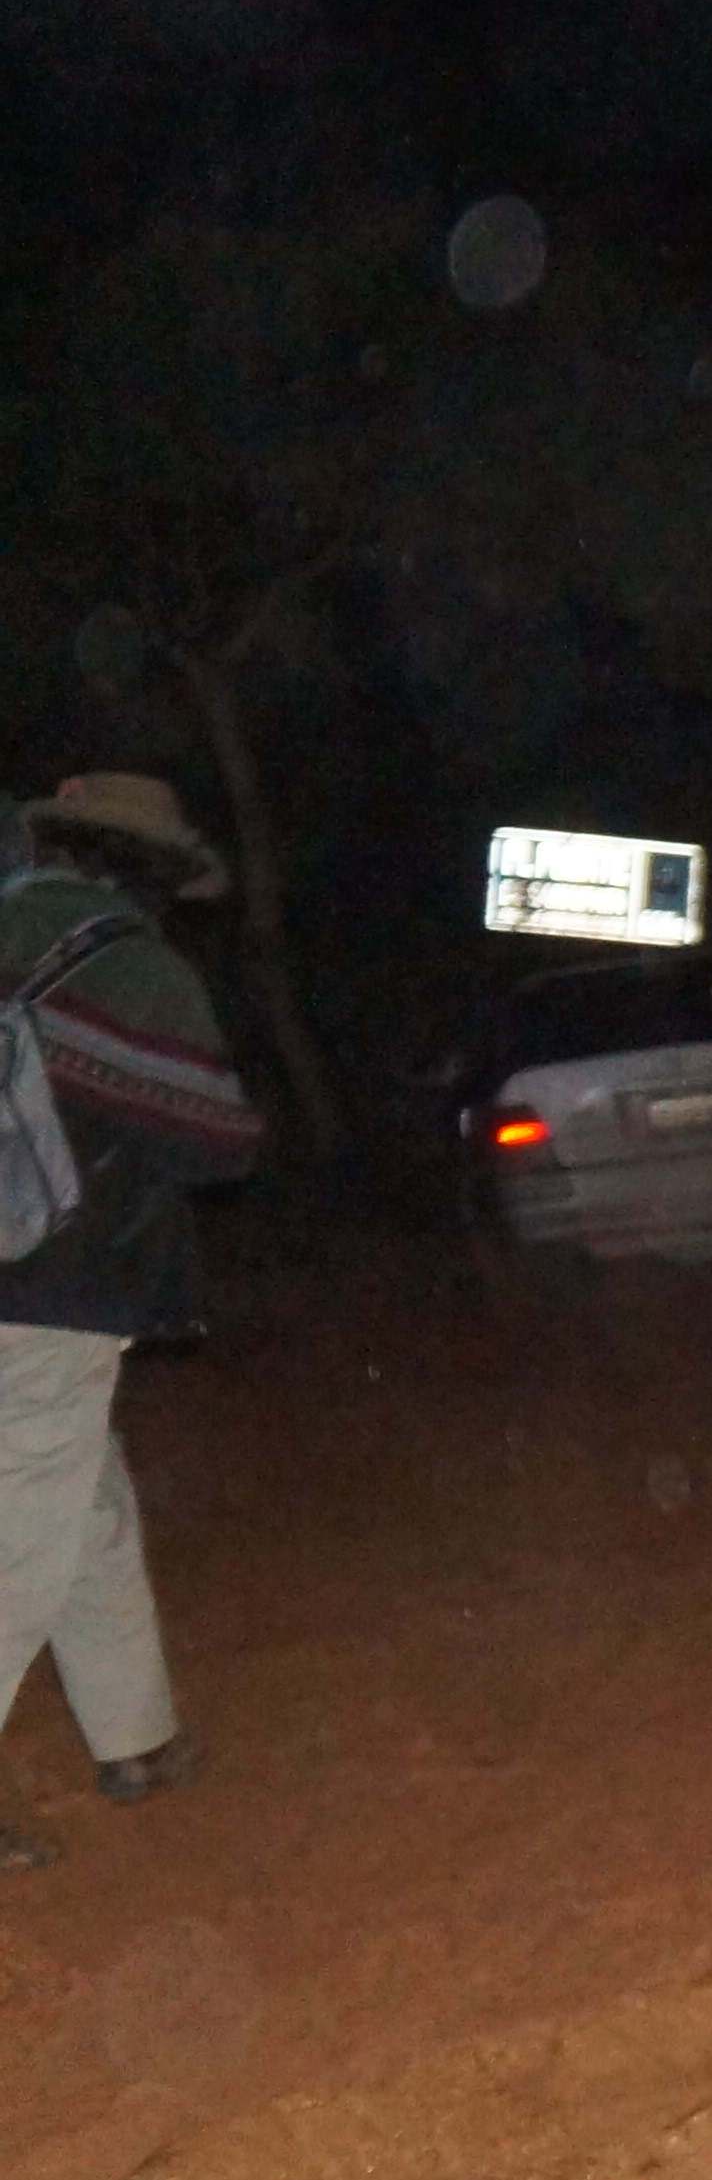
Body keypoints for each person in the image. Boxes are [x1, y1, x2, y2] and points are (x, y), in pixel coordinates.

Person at [0, 778, 266, 1872]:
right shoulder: (134, 966)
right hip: (50, 1284)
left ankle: (137, 1736)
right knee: (22, 1531)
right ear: (149, 868)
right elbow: (216, 1139)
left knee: (84, 1503)